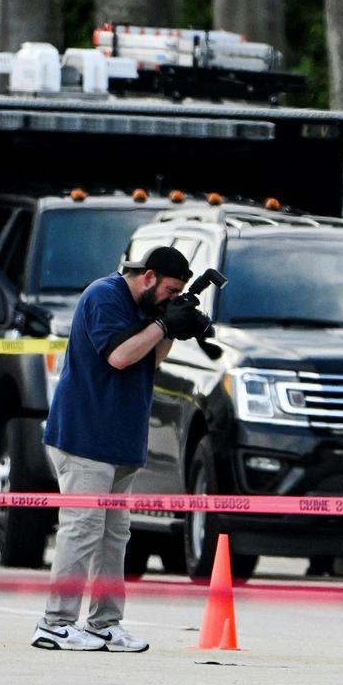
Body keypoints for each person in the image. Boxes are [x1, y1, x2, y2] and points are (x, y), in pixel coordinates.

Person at [31, 246, 208, 651]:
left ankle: (104, 624)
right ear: (148, 277)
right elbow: (120, 356)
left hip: (121, 440)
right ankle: (55, 624)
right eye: (169, 289)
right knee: (82, 529)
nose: (169, 296)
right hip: (85, 436)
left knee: (114, 535)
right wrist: (164, 321)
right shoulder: (105, 295)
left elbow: (152, 356)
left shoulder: (147, 306)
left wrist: (177, 327)